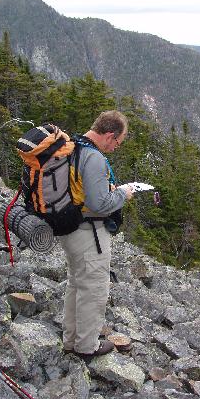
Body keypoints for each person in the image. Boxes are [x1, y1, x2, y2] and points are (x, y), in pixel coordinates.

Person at [60, 110, 134, 359]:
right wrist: (123, 194)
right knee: (93, 289)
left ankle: (71, 341)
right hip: (87, 232)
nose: (115, 148)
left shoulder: (72, 147)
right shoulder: (93, 158)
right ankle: (86, 347)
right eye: (117, 143)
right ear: (109, 135)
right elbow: (100, 204)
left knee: (76, 284)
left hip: (69, 228)